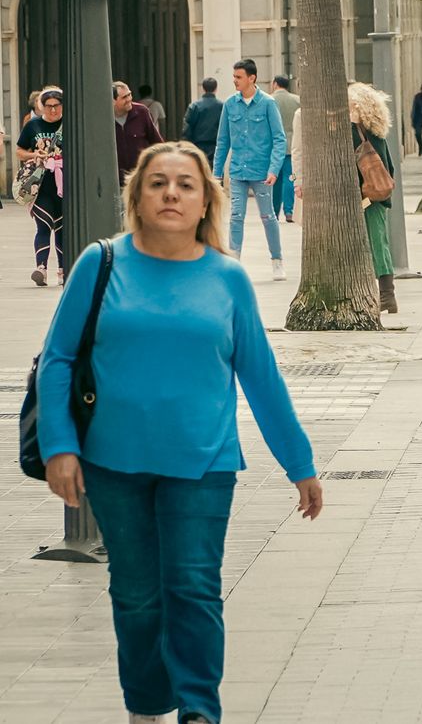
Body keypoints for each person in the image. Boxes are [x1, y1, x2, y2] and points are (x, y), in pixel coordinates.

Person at [37, 141, 321, 724]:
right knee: (138, 596)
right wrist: (59, 447)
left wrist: (301, 465)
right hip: (114, 462)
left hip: (204, 462)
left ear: (204, 202)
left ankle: (198, 709)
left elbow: (262, 378)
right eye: (158, 183)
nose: (171, 193)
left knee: (193, 588)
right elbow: (59, 358)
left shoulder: (228, 279)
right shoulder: (100, 263)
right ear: (137, 198)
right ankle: (146, 706)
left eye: (186, 184)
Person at [212, 58, 288, 281]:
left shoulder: (267, 103)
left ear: (251, 78)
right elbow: (222, 141)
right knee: (236, 216)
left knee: (268, 216)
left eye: (238, 77)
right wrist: (216, 173)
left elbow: (279, 139)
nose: (234, 81)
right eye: (234, 77)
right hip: (237, 171)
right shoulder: (229, 105)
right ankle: (233, 261)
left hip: (262, 172)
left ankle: (277, 261)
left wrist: (274, 169)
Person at [349, 83, 399, 313]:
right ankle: (385, 295)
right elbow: (390, 167)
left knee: (377, 244)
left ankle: (387, 296)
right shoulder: (377, 133)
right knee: (379, 242)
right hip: (379, 196)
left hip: (366, 196)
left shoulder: (354, 131)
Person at [17, 86, 66, 286]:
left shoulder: (70, 124)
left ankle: (63, 270)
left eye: (56, 106)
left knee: (62, 229)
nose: (53, 110)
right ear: (41, 106)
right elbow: (20, 150)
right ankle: (41, 269)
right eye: (48, 106)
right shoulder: (33, 125)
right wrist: (34, 155)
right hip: (41, 183)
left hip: (64, 183)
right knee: (43, 225)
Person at [113, 81, 164, 185]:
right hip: (116, 181)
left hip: (141, 178)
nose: (129, 99)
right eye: (124, 97)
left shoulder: (142, 112)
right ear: (113, 101)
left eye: (129, 94)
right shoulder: (104, 117)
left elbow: (156, 142)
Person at [269, 75, 300, 223]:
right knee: (290, 178)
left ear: (275, 84)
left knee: (275, 179)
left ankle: (274, 212)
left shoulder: (268, 100)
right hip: (291, 147)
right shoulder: (296, 100)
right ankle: (289, 211)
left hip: (274, 148)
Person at [182, 78, 224, 166]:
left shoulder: (194, 106)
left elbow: (187, 128)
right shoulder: (222, 107)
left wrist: (186, 145)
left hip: (197, 146)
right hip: (216, 147)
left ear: (203, 88)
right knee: (216, 175)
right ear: (216, 89)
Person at [410, 84, 422, 157]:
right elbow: (414, 109)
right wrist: (412, 119)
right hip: (419, 118)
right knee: (417, 134)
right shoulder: (417, 97)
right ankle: (421, 147)